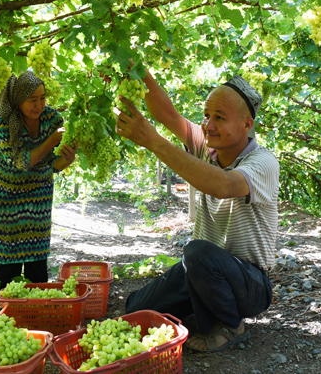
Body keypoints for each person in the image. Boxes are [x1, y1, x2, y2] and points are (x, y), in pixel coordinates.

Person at [113, 67, 279, 353]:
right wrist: (135, 69)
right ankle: (205, 303)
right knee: (135, 309)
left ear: (246, 125)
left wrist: (153, 141)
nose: (208, 124)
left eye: (220, 117)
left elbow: (224, 185)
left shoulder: (263, 163)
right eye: (207, 115)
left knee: (196, 252)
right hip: (204, 270)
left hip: (250, 283)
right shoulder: (207, 147)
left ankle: (232, 324)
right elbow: (168, 115)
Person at [0, 71, 78, 290]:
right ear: (18, 101)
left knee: (37, 263)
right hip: (7, 198)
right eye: (32, 100)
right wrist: (52, 140)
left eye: (42, 98)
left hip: (38, 196)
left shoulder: (53, 119)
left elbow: (52, 165)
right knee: (8, 263)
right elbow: (21, 162)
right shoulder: (3, 122)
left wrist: (67, 159)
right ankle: (7, 307)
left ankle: (37, 309)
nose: (39, 104)